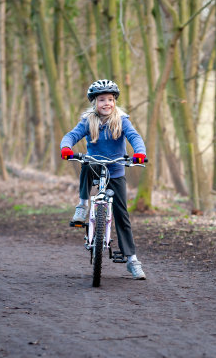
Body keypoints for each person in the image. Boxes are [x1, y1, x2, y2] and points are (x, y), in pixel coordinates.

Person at [60, 79, 148, 280]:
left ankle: (132, 260)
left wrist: (139, 153)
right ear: (94, 103)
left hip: (116, 171)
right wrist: (66, 148)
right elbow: (71, 136)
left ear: (115, 101)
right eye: (102, 100)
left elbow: (135, 137)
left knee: (122, 215)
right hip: (94, 166)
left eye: (110, 99)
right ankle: (82, 205)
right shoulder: (88, 120)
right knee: (85, 164)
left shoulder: (122, 120)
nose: (106, 103)